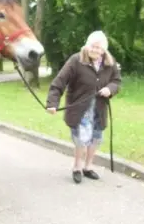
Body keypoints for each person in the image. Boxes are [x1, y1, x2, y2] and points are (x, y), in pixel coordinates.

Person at [46, 30, 121, 184]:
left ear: (104, 49)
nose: (95, 50)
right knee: (81, 140)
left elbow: (117, 81)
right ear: (87, 46)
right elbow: (59, 82)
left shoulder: (109, 62)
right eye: (93, 46)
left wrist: (110, 89)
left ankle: (88, 167)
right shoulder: (76, 60)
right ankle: (77, 167)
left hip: (99, 109)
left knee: (95, 138)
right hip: (79, 109)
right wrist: (52, 103)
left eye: (99, 48)